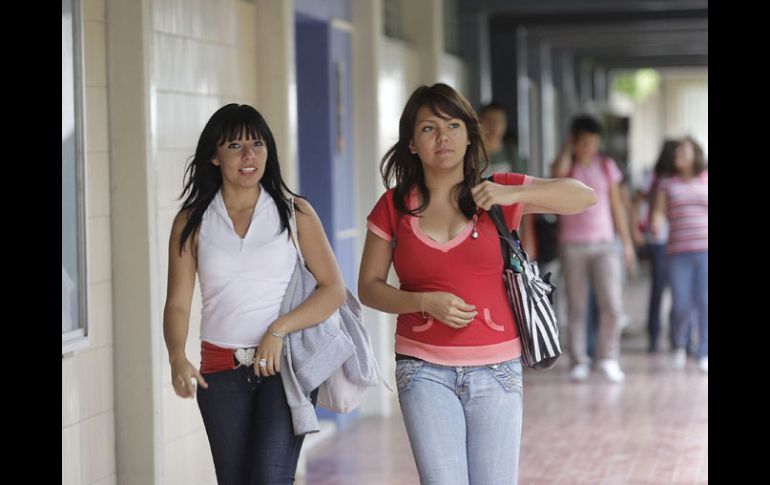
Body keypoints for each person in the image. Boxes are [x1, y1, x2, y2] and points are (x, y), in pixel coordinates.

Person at [358, 83, 596, 485]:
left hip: (497, 369)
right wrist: (423, 302)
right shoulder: (393, 206)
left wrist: (512, 192)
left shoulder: (497, 190)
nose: (443, 137)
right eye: (429, 128)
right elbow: (369, 287)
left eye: (453, 125)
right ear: (412, 143)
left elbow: (584, 197)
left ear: (470, 135)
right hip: (423, 370)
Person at [162, 103, 346, 484]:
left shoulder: (295, 212)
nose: (249, 155)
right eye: (235, 146)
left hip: (283, 368)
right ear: (214, 155)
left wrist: (279, 329)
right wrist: (177, 357)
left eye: (257, 144)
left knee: (270, 478)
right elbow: (177, 304)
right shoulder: (192, 221)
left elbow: (333, 289)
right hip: (219, 374)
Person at [551, 115, 635, 383]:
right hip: (572, 245)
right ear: (574, 141)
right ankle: (579, 360)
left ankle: (608, 357)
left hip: (604, 244)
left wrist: (627, 243)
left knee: (612, 304)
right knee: (576, 306)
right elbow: (556, 176)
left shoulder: (606, 165)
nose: (590, 148)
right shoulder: (567, 166)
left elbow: (616, 206)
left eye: (594, 143)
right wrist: (566, 149)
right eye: (584, 142)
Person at [651, 136, 708, 372]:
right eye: (677, 152)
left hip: (705, 251)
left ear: (695, 154)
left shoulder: (706, 179)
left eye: (683, 151)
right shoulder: (667, 183)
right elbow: (659, 211)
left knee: (705, 302)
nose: (678, 155)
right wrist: (656, 222)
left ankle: (704, 351)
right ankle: (679, 344)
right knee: (681, 304)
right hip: (678, 253)